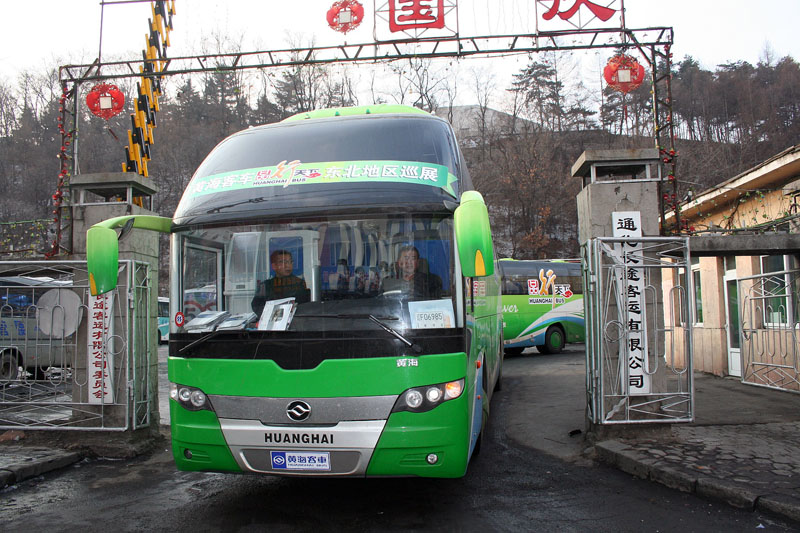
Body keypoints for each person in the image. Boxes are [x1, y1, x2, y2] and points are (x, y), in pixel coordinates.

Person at [251, 250, 310, 316]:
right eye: (282, 262)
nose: (287, 265)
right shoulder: (265, 285)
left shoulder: (300, 283)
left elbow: (305, 306)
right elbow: (257, 306)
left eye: (290, 262)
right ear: (274, 266)